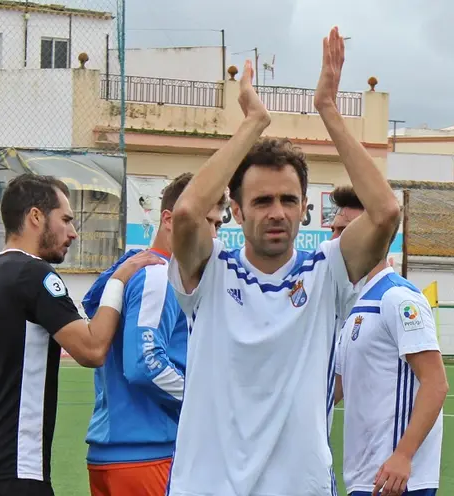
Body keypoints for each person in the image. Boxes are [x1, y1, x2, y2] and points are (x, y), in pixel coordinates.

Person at [165, 27, 402, 496]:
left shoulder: (327, 271)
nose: (277, 212)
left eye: (289, 200)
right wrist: (253, 124)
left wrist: (328, 109)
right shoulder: (210, 269)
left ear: (304, 209)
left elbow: (386, 213)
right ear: (236, 212)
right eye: (262, 201)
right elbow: (188, 213)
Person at [0, 173, 163, 496]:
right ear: (36, 216)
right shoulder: (33, 273)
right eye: (66, 220)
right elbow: (92, 349)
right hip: (11, 463)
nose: (73, 232)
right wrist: (119, 280)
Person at [79, 173, 227, 496]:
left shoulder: (132, 269)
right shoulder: (159, 275)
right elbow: (144, 364)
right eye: (206, 221)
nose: (213, 235)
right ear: (169, 220)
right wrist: (202, 400)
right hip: (146, 454)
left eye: (218, 224)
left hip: (115, 452)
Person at [329, 185, 448, 496]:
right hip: (363, 475)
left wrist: (403, 456)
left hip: (396, 479)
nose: (334, 239)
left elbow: (435, 382)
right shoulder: (353, 301)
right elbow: (335, 387)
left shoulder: (399, 298)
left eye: (343, 230)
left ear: (375, 234)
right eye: (333, 229)